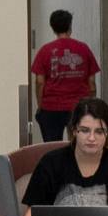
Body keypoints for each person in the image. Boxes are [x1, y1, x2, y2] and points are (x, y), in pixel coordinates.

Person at [29, 9, 100, 142]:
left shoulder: (45, 51)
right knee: (79, 146)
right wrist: (90, 104)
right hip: (78, 106)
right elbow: (92, 83)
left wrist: (40, 105)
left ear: (53, 28)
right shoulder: (83, 49)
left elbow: (39, 82)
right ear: (70, 26)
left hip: (51, 107)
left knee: (52, 147)